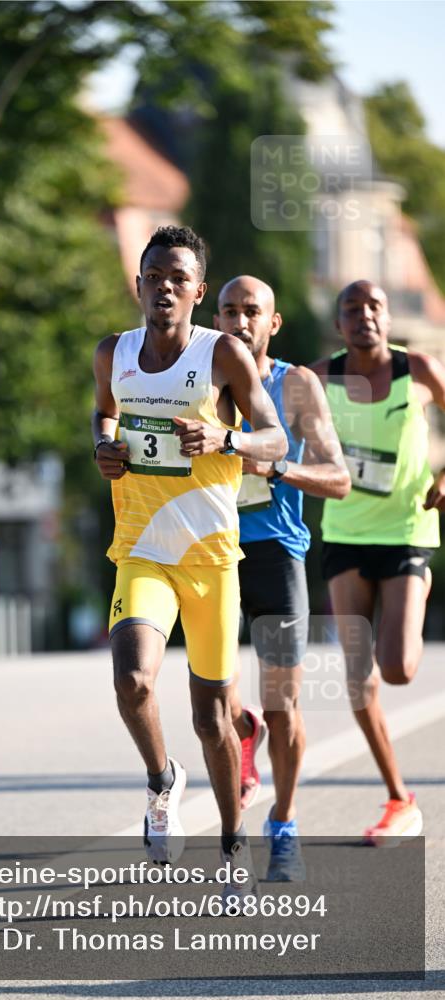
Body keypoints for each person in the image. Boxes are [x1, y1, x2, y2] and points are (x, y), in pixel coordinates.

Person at [92, 226, 287, 893]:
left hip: (209, 560)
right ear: (138, 284)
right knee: (133, 683)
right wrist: (105, 447)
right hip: (142, 551)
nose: (165, 287)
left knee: (211, 719)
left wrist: (223, 437)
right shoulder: (112, 353)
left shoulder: (222, 354)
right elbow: (103, 417)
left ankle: (233, 847)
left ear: (198, 292)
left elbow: (273, 438)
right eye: (154, 275)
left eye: (179, 278)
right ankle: (159, 780)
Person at [213, 276, 350, 879]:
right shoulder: (196, 375)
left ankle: (285, 824)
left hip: (274, 550)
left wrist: (277, 466)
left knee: (285, 706)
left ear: (274, 323)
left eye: (252, 312)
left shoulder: (296, 385)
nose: (240, 321)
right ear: (213, 318)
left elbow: (339, 478)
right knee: (214, 702)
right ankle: (239, 729)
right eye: (229, 311)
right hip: (208, 550)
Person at [311, 280, 445, 844]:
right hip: (344, 534)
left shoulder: (417, 369)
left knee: (398, 670)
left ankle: (418, 584)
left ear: (387, 318)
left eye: (374, 307)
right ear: (339, 324)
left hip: (408, 531)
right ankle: (398, 796)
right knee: (357, 675)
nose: (364, 315)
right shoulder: (318, 377)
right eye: (352, 309)